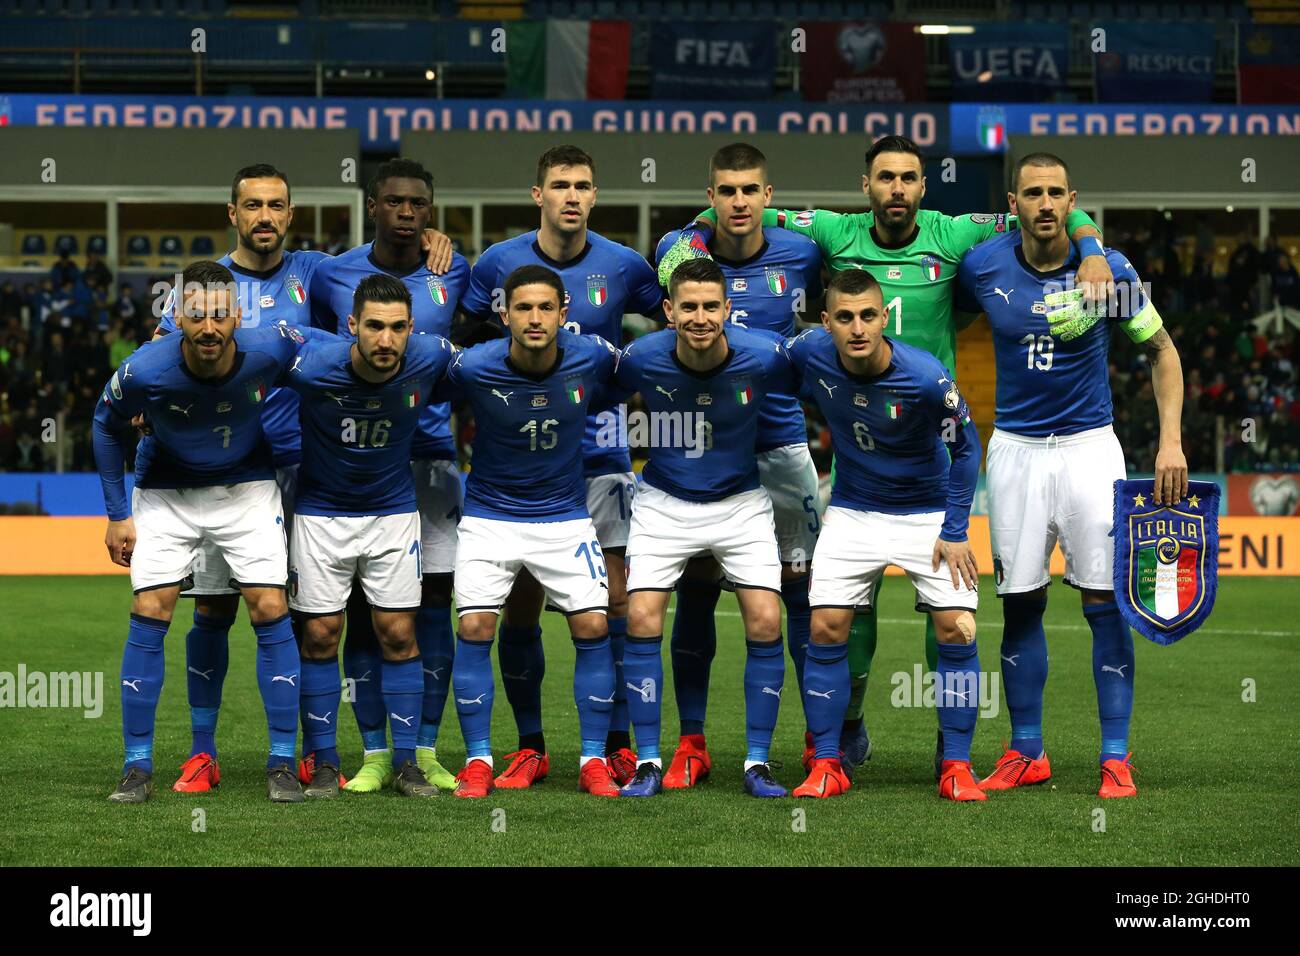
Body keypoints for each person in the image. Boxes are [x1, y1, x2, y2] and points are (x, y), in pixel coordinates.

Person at [658, 134, 1114, 780]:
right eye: (884, 178)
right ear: (864, 186)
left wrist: (1091, 246)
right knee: (848, 610)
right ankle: (847, 732)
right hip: (856, 466)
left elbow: (1045, 209)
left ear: (923, 187)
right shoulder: (834, 231)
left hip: (933, 463)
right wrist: (690, 243)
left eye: (907, 178)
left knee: (946, 615)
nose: (896, 189)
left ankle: (947, 746)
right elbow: (742, 210)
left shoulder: (954, 235)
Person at [956, 152, 1188, 798]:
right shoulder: (983, 263)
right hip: (1015, 452)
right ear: (1013, 205)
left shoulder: (1108, 272)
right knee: (1020, 604)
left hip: (1090, 449)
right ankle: (1026, 750)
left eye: (1057, 192)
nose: (1046, 203)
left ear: (1072, 199)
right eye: (1033, 193)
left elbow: (1162, 352)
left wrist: (1170, 441)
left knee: (1104, 605)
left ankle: (1115, 756)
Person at [454, 145, 662, 789]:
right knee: (516, 604)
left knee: (615, 605)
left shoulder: (626, 264)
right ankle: (528, 745)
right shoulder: (496, 263)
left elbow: (669, 333)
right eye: (560, 185)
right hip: (515, 466)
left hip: (599, 454)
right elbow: (462, 343)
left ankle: (615, 744)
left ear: (595, 196)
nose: (571, 196)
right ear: (537, 193)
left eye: (583, 186)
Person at [92, 259, 310, 804]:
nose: (209, 328)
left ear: (237, 314)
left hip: (247, 488)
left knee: (269, 606)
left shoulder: (272, 348)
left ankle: (282, 762)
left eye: (219, 316)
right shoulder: (145, 369)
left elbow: (330, 353)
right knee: (151, 610)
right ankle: (137, 767)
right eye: (196, 316)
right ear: (178, 316)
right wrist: (118, 514)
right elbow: (103, 424)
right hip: (166, 491)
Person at [150, 163, 329, 794]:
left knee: (309, 616)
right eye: (251, 205)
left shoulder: (316, 273)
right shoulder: (200, 291)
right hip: (228, 474)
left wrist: (435, 242)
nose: (264, 216)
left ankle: (311, 750)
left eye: (276, 205)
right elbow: (156, 372)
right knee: (214, 612)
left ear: (290, 213)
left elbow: (378, 276)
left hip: (309, 470)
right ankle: (204, 751)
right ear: (232, 213)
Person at [652, 142, 826, 787]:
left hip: (780, 451)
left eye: (750, 190)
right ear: (711, 197)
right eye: (726, 191)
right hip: (705, 451)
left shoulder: (805, 252)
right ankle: (692, 743)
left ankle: (820, 742)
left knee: (802, 597)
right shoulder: (682, 256)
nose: (739, 202)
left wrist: (1088, 239)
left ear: (768, 196)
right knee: (695, 594)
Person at [784, 268, 982, 800]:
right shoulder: (809, 355)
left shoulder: (924, 377)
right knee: (825, 627)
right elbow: (761, 359)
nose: (857, 328)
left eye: (868, 316)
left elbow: (968, 448)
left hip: (928, 512)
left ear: (884, 317)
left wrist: (956, 528)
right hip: (854, 511)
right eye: (844, 317)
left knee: (958, 629)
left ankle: (957, 766)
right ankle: (828, 762)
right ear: (825, 322)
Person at [310, 158, 470, 793]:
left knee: (431, 605)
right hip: (349, 461)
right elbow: (317, 357)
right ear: (372, 205)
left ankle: (422, 748)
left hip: (429, 459)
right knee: (354, 607)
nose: (407, 213)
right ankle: (374, 751)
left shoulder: (455, 269)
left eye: (419, 204)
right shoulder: (330, 274)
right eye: (395, 202)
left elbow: (488, 333)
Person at [436, 264, 622, 799]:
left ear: (565, 314)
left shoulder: (593, 357)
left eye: (546, 308)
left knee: (592, 627)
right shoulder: (471, 367)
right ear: (504, 314)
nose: (535, 318)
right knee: (474, 630)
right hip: (490, 519)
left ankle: (591, 760)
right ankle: (477, 760)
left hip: (565, 518)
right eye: (523, 308)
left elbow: (652, 372)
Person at [613, 258, 795, 799]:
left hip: (740, 503)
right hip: (663, 501)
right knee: (642, 617)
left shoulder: (762, 354)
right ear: (668, 311)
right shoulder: (641, 357)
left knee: (765, 620)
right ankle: (649, 760)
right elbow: (598, 396)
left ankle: (757, 763)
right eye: (688, 306)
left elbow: (824, 378)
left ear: (728, 310)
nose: (700, 317)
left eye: (710, 306)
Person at [284, 274, 455, 798]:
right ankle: (327, 762)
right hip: (319, 516)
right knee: (319, 636)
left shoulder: (431, 357)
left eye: (398, 327)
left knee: (400, 634)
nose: (386, 340)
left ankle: (407, 764)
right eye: (375, 327)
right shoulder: (311, 363)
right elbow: (247, 355)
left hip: (393, 515)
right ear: (351, 326)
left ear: (412, 329)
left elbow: (495, 368)